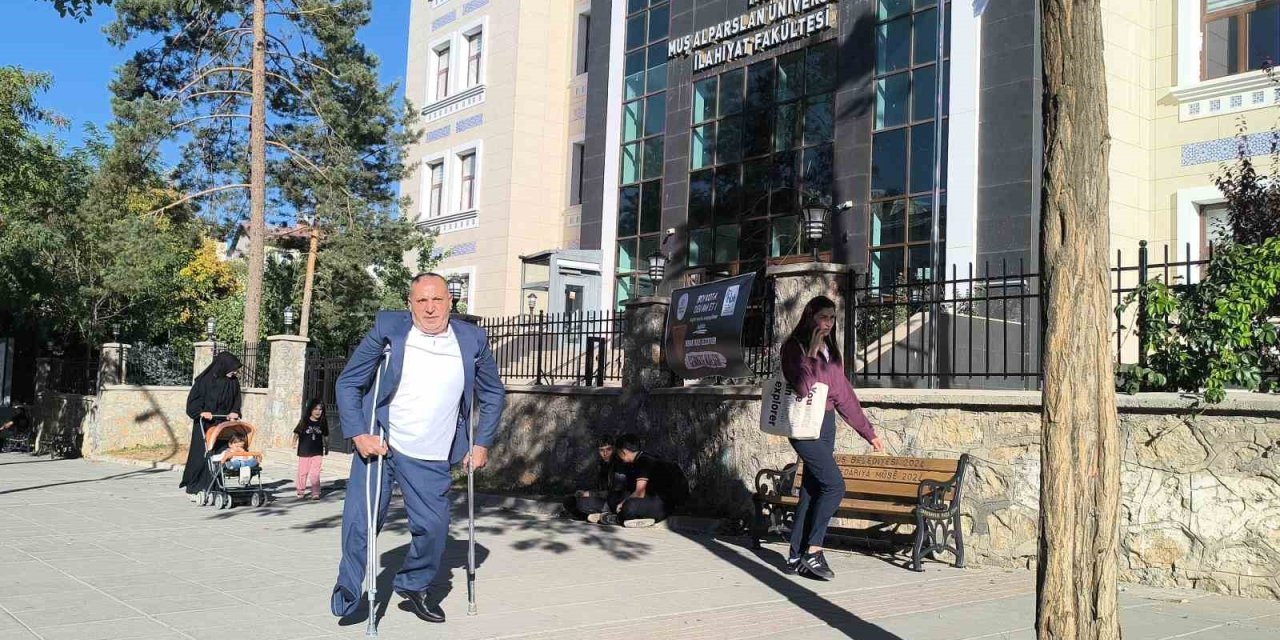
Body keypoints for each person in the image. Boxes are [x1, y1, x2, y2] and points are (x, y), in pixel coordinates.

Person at [331, 272, 506, 625]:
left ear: (451, 302)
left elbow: (492, 392)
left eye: (437, 299)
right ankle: (348, 590)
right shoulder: (388, 330)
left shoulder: (472, 339)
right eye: (421, 300)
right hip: (381, 443)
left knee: (434, 529)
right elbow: (349, 382)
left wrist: (482, 442)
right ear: (409, 304)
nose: (430, 308)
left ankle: (413, 584)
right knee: (360, 524)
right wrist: (358, 434)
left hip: (431, 452)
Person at [780, 295, 884, 580]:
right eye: (823, 317)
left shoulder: (831, 351)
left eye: (832, 318)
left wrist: (868, 432)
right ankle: (814, 551)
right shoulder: (794, 347)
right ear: (810, 317)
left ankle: (795, 556)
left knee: (811, 490)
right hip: (803, 427)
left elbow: (843, 395)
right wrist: (812, 353)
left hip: (825, 425)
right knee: (835, 485)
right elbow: (803, 387)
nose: (828, 323)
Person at [181, 352, 242, 499]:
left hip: (222, 424)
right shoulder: (204, 381)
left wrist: (234, 412)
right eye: (233, 368)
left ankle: (215, 486)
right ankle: (195, 487)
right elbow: (192, 403)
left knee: (219, 455)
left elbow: (237, 400)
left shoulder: (233, 382)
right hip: (205, 424)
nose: (235, 372)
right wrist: (201, 412)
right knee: (202, 456)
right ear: (223, 366)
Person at [602, 433, 688, 528]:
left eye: (618, 453)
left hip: (663, 505)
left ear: (623, 452)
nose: (618, 456)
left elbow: (639, 493)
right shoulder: (637, 461)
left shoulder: (644, 461)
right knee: (613, 497)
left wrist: (622, 503)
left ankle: (618, 519)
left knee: (629, 506)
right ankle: (630, 517)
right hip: (649, 500)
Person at [564, 433, 629, 521]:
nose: (605, 453)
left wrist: (590, 494)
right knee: (569, 500)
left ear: (613, 449)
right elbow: (600, 489)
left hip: (615, 503)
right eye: (601, 450)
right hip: (603, 500)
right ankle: (595, 517)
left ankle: (598, 517)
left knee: (579, 503)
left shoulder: (619, 465)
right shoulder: (601, 465)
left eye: (608, 449)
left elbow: (616, 493)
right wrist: (584, 493)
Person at [293, 399, 329, 499]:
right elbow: (296, 432)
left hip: (317, 451)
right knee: (303, 472)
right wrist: (293, 443)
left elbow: (325, 435)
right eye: (315, 409)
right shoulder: (304, 421)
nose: (318, 412)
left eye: (320, 409)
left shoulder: (322, 422)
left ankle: (315, 493)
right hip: (304, 451)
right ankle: (300, 490)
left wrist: (327, 447)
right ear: (310, 410)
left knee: (315, 473)